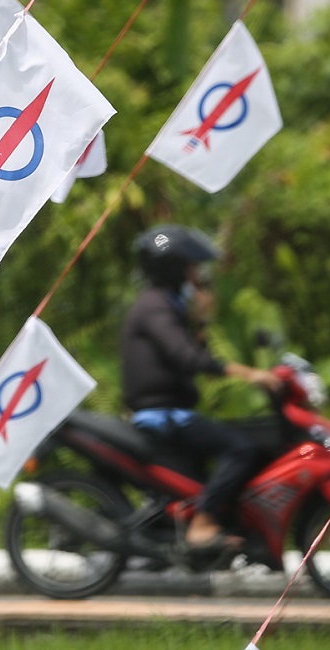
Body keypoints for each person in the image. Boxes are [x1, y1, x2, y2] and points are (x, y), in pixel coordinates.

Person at [120, 224, 283, 552]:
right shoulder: (155, 306)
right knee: (242, 448)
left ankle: (204, 518)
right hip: (163, 416)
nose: (197, 276)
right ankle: (203, 524)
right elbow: (189, 358)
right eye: (192, 268)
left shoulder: (164, 304)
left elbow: (188, 354)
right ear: (175, 269)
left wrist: (203, 320)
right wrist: (251, 374)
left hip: (171, 412)